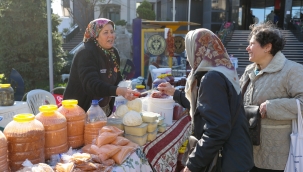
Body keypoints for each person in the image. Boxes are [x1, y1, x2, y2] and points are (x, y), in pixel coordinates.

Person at [158, 28, 254, 172]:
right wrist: (174, 93)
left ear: (198, 50)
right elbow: (205, 106)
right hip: (236, 155)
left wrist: (192, 165)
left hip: (227, 161)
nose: (187, 54)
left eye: (189, 48)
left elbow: (217, 130)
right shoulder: (222, 70)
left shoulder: (212, 79)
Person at [241, 22, 303, 171]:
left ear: (267, 47)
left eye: (252, 44)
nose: (247, 48)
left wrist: (271, 107)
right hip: (248, 153)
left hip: (278, 157)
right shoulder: (249, 70)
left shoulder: (292, 70)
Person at [63, 18, 140, 115]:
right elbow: (91, 84)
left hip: (103, 110)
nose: (111, 35)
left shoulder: (113, 53)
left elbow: (117, 78)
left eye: (112, 31)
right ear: (96, 36)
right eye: (105, 32)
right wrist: (118, 90)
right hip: (80, 111)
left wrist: (127, 88)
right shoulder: (86, 53)